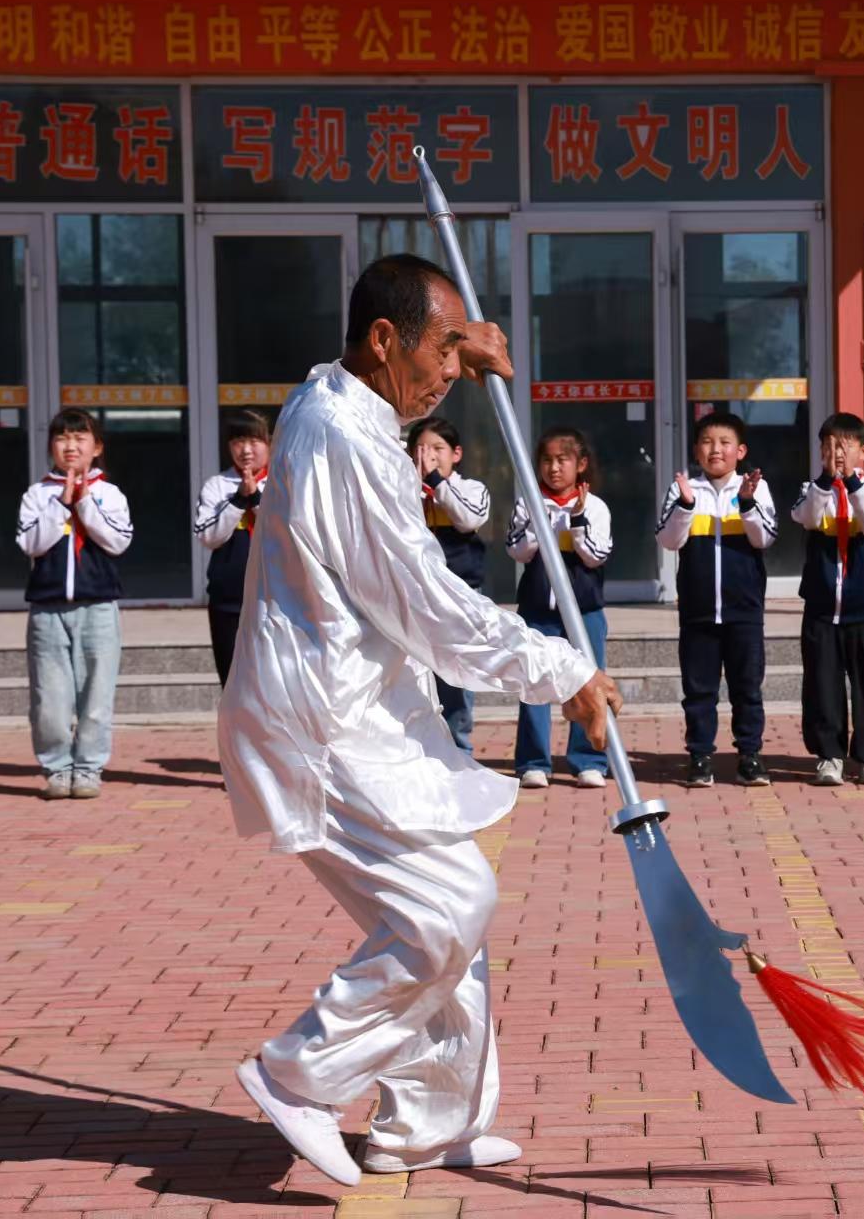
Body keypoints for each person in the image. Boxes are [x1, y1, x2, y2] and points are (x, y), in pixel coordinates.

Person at [218, 253, 622, 1184]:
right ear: (383, 340)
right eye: (438, 348)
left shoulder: (345, 401)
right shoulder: (341, 440)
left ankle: (425, 1126)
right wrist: (558, 667)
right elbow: (426, 604)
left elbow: (399, 382)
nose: (452, 368)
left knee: (452, 914)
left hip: (367, 706)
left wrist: (458, 352)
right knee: (447, 908)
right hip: (321, 722)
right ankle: (298, 1077)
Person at [17, 408, 133, 802]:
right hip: (48, 610)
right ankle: (57, 767)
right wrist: (61, 504)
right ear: (51, 446)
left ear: (96, 447)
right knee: (49, 698)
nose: (70, 446)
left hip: (99, 607)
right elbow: (30, 544)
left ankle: (87, 769)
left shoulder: (109, 493)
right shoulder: (37, 494)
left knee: (97, 695)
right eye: (62, 438)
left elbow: (117, 541)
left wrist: (83, 504)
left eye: (80, 439)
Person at [655, 412, 776, 789]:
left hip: (744, 610)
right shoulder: (683, 489)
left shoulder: (755, 488)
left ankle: (750, 757)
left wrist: (747, 504)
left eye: (724, 442)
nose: (716, 449)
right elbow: (668, 540)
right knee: (699, 689)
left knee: (747, 688)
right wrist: (686, 507)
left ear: (740, 451)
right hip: (698, 610)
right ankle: (700, 756)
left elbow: (765, 539)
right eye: (707, 442)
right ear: (696, 449)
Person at [506, 426, 613, 791]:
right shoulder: (528, 502)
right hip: (538, 610)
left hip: (584, 613)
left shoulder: (595, 506)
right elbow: (517, 551)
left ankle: (589, 761)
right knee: (535, 682)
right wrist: (539, 519)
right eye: (547, 460)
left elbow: (595, 556)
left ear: (580, 464)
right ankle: (534, 762)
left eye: (562, 460)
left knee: (586, 683)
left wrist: (578, 519)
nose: (554, 468)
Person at [792, 412, 864, 787]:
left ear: (863, 451)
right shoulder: (810, 489)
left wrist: (849, 479)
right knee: (822, 683)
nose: (835, 453)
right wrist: (826, 480)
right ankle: (829, 756)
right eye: (828, 446)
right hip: (820, 608)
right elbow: (807, 516)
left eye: (844, 446)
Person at [407, 414, 492, 755]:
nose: (428, 455)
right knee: (413, 675)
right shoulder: (402, 489)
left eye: (437, 448)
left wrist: (435, 481)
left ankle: (458, 750)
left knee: (457, 675)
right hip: (413, 593)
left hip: (460, 594)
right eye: (421, 448)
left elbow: (469, 518)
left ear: (456, 454)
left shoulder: (471, 488)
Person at [194, 409, 271, 684]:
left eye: (254, 441)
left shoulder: (283, 480)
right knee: (232, 681)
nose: (246, 450)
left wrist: (257, 499)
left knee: (274, 683)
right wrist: (238, 501)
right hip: (229, 601)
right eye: (238, 442)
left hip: (277, 601)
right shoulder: (217, 485)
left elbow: (289, 530)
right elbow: (208, 536)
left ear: (269, 443)